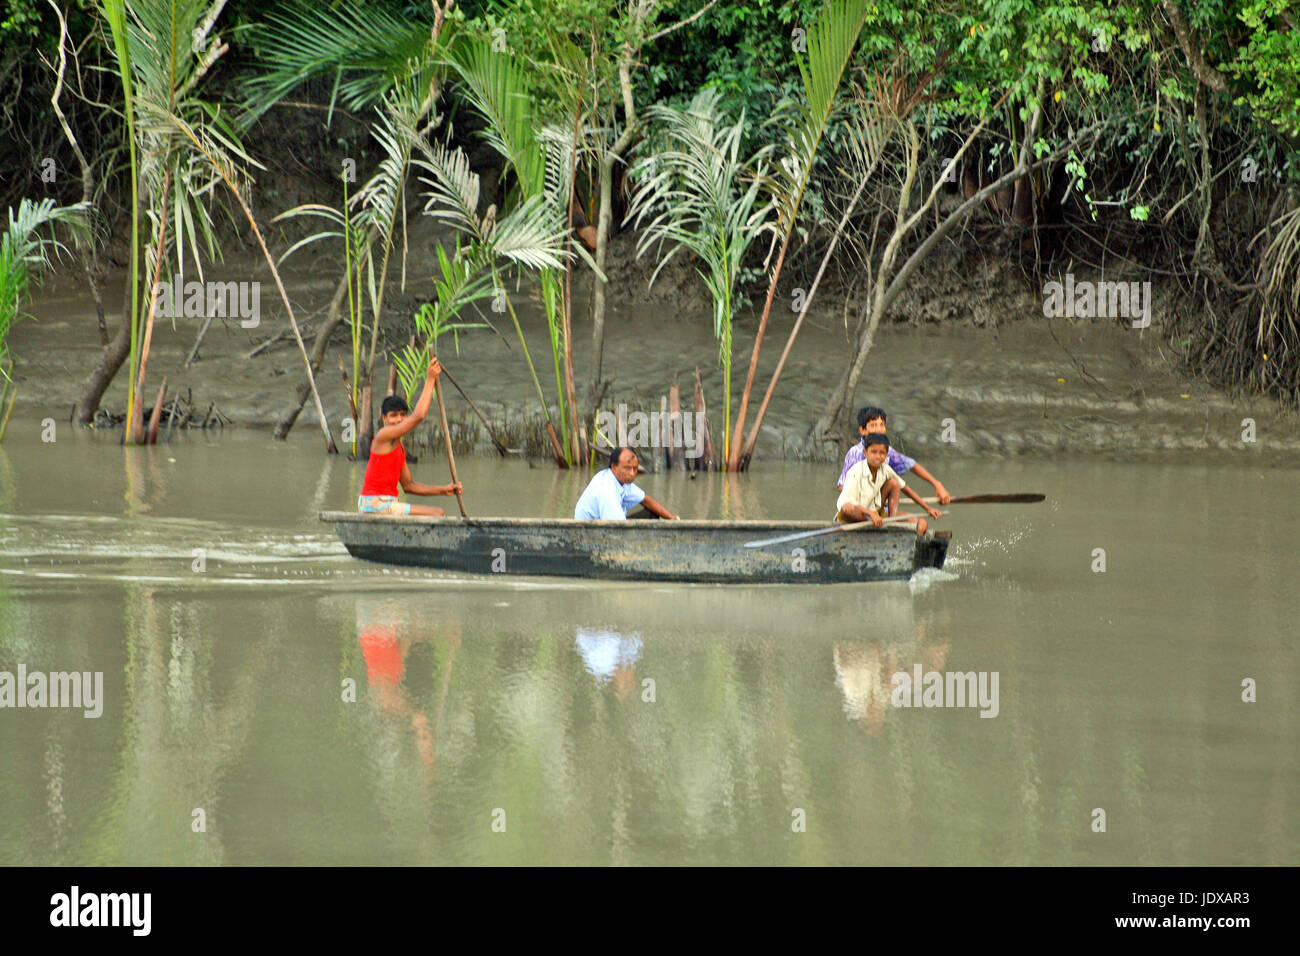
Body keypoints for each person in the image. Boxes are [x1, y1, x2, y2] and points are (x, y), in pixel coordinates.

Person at [357, 355, 463, 517]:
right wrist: (430, 379)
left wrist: (444, 489)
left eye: (402, 415)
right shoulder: (383, 436)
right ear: (384, 418)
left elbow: (409, 486)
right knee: (438, 513)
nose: (399, 419)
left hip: (387, 503)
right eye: (393, 415)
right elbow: (419, 416)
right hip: (376, 503)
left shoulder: (398, 447)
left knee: (436, 512)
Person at [836, 406, 951, 516]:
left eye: (881, 425)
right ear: (863, 430)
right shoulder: (855, 453)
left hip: (879, 507)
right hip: (858, 507)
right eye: (873, 425)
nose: (878, 430)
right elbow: (842, 487)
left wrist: (937, 485)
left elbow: (910, 465)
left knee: (918, 523)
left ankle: (890, 519)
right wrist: (870, 496)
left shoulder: (887, 451)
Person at [836, 434, 933, 534]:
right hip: (855, 515)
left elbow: (904, 488)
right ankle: (872, 526)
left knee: (921, 522)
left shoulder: (885, 469)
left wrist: (928, 508)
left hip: (874, 513)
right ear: (865, 453)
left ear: (886, 455)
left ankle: (892, 521)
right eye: (874, 452)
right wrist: (871, 515)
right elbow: (847, 505)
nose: (878, 456)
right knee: (847, 508)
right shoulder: (855, 472)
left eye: (882, 453)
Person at [574, 447, 677, 520]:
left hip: (607, 525)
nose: (632, 473)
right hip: (592, 533)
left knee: (652, 513)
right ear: (614, 467)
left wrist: (673, 519)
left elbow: (646, 500)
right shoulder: (607, 489)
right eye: (627, 468)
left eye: (635, 469)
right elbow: (617, 528)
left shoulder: (621, 481)